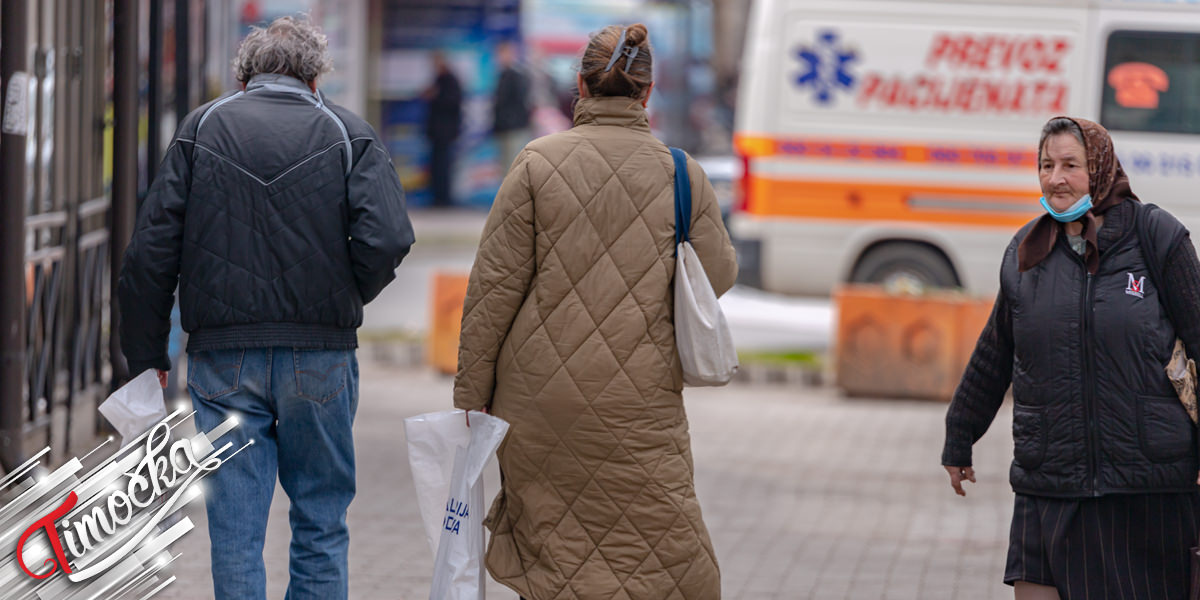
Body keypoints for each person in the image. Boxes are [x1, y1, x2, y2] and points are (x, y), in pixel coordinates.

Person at [116, 16, 414, 600]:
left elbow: (149, 252)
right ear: (314, 74)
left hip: (222, 358)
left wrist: (147, 353)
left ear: (245, 74)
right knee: (322, 521)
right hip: (321, 355)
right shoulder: (349, 133)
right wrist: (345, 295)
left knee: (234, 530)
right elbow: (389, 238)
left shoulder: (202, 129)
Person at [453, 23, 737, 600]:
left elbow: (494, 288)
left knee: (554, 552)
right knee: (661, 553)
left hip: (536, 399)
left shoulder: (536, 162)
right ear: (648, 92)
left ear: (580, 87)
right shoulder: (682, 172)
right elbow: (719, 274)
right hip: (639, 398)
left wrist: (471, 392)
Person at [942, 116, 1200, 600]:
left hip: (1145, 488)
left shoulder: (1157, 237)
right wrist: (960, 435)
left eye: (1070, 165)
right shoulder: (1026, 252)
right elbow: (996, 351)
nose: (1055, 178)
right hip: (1051, 478)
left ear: (1100, 168)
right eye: (1046, 164)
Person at [424, 51, 463, 207]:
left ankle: (444, 198)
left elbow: (453, 103)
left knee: (443, 166)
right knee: (436, 165)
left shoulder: (450, 80)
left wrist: (436, 96)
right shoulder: (439, 79)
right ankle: (437, 196)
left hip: (445, 132)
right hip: (437, 132)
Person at [492, 41, 532, 170]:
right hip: (503, 128)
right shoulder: (502, 75)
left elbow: (521, 100)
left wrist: (510, 120)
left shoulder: (517, 75)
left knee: (513, 166)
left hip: (514, 128)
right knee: (505, 167)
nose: (500, 57)